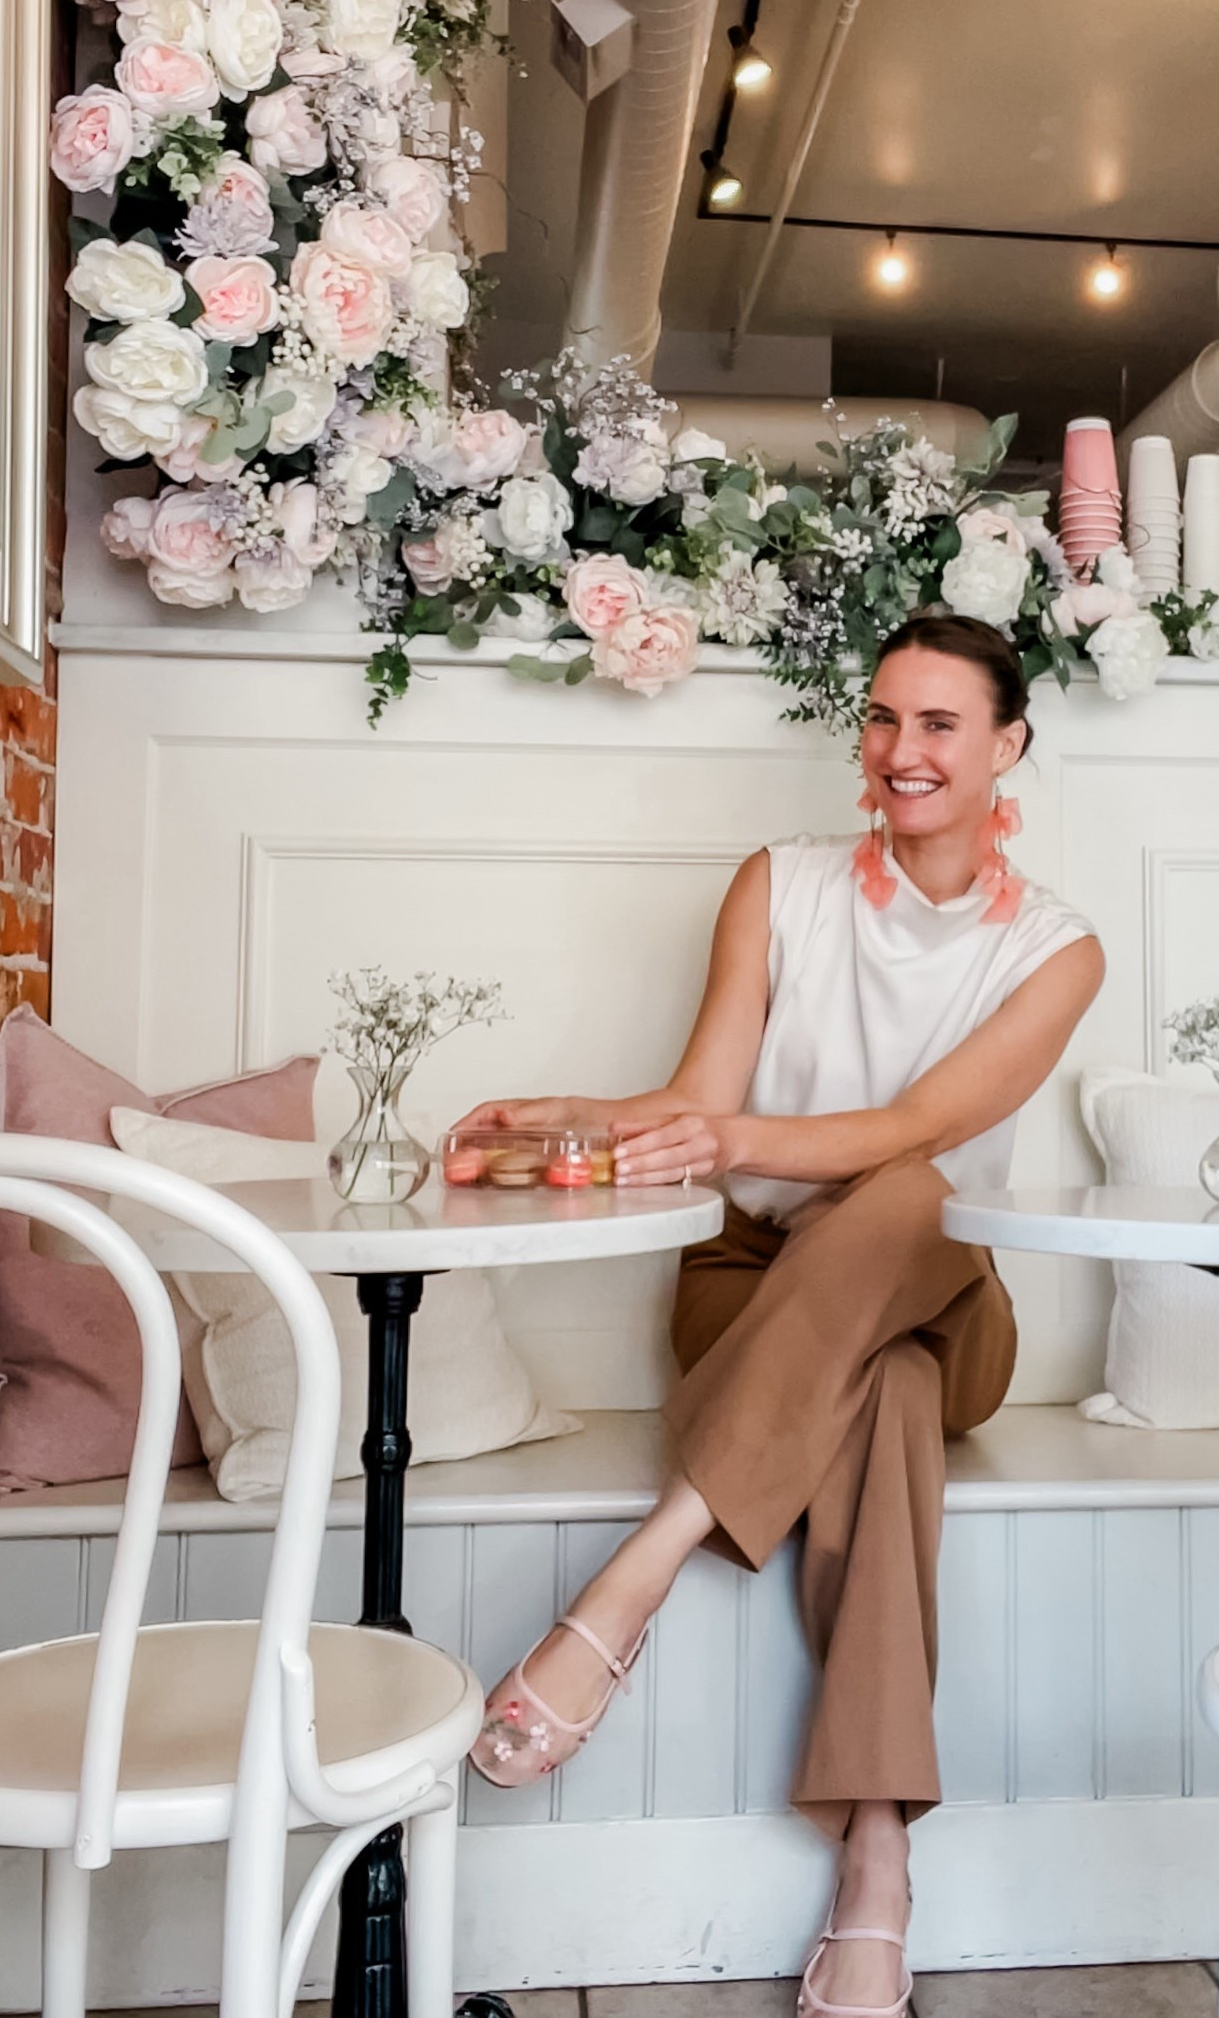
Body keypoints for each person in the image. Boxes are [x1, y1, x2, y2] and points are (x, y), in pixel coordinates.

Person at [458, 615, 1105, 2018]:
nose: (901, 752)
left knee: (913, 1190)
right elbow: (700, 1098)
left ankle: (640, 1570)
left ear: (1008, 749)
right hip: (752, 1290)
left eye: (939, 725)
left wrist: (738, 1132)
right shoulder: (780, 884)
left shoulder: (1059, 951)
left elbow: (916, 1126)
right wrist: (565, 1115)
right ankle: (877, 1862)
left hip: (946, 1301)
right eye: (882, 720)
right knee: (881, 1414)